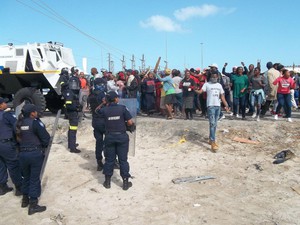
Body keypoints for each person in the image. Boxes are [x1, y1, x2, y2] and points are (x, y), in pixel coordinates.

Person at [15, 104, 50, 215]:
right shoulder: (35, 123)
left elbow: (15, 139)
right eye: (35, 111)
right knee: (34, 179)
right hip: (34, 154)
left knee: (26, 177)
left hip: (22, 154)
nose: (36, 113)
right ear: (31, 113)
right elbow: (46, 138)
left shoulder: (18, 123)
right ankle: (33, 205)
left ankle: (25, 200)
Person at [98, 91, 135, 190]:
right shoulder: (122, 108)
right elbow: (130, 122)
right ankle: (125, 183)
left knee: (109, 160)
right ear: (115, 99)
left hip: (109, 137)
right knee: (123, 160)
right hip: (121, 137)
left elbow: (97, 111)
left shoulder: (104, 110)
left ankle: (107, 182)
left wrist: (104, 103)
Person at [195, 72, 229, 152]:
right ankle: (213, 142)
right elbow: (201, 91)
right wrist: (195, 90)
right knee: (212, 124)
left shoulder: (219, 85)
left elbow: (222, 96)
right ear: (210, 77)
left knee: (215, 124)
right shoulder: (207, 84)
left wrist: (226, 105)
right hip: (210, 106)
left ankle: (211, 139)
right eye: (213, 76)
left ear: (218, 77)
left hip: (218, 106)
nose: (214, 78)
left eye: (215, 76)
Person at [0, 97, 22, 196]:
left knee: (1, 166)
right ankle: (19, 188)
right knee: (13, 165)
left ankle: (2, 187)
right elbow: (17, 126)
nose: (6, 104)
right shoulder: (7, 115)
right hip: (6, 144)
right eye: (4, 102)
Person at [87, 81, 106, 171]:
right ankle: (111, 161)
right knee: (108, 143)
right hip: (103, 121)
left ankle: (99, 162)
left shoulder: (91, 95)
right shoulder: (102, 95)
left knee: (99, 142)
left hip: (95, 121)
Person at [63, 87, 81, 153]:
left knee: (72, 129)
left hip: (72, 113)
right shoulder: (69, 93)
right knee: (73, 130)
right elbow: (68, 105)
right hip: (72, 113)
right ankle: (72, 148)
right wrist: (76, 108)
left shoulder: (70, 92)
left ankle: (71, 144)